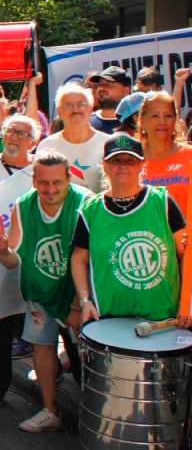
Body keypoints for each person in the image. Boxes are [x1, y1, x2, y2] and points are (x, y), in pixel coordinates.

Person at [0, 151, 90, 432]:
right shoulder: (23, 206)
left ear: (69, 179)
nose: (50, 189)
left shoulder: (86, 203)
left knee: (84, 356)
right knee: (42, 347)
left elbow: (90, 259)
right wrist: (2, 251)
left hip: (75, 294)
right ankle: (50, 409)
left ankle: (94, 416)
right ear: (34, 181)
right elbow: (14, 260)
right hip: (40, 291)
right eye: (43, 182)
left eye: (57, 182)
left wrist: (78, 302)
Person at [71, 135, 191, 328]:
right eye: (116, 160)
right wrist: (85, 301)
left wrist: (187, 304)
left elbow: (186, 254)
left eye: (130, 160)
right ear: (105, 165)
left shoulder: (162, 201)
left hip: (163, 318)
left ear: (142, 164)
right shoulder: (90, 210)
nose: (123, 166)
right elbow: (79, 258)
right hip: (110, 319)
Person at [0, 114, 39, 409]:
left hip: (32, 260)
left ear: (34, 140)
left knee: (39, 325)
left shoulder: (38, 172)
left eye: (22, 133)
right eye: (10, 131)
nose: (15, 137)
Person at [37, 83, 108, 193]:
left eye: (81, 104)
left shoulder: (107, 143)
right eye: (68, 105)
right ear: (59, 111)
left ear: (90, 108)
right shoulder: (47, 146)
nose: (75, 110)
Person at [140, 92, 192, 220]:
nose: (162, 122)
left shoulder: (189, 155)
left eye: (168, 116)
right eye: (155, 116)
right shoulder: (131, 160)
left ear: (175, 120)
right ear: (142, 120)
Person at [88, 66, 132, 133]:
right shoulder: (86, 123)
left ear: (126, 90)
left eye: (108, 85)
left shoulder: (139, 122)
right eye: (99, 85)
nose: (101, 89)